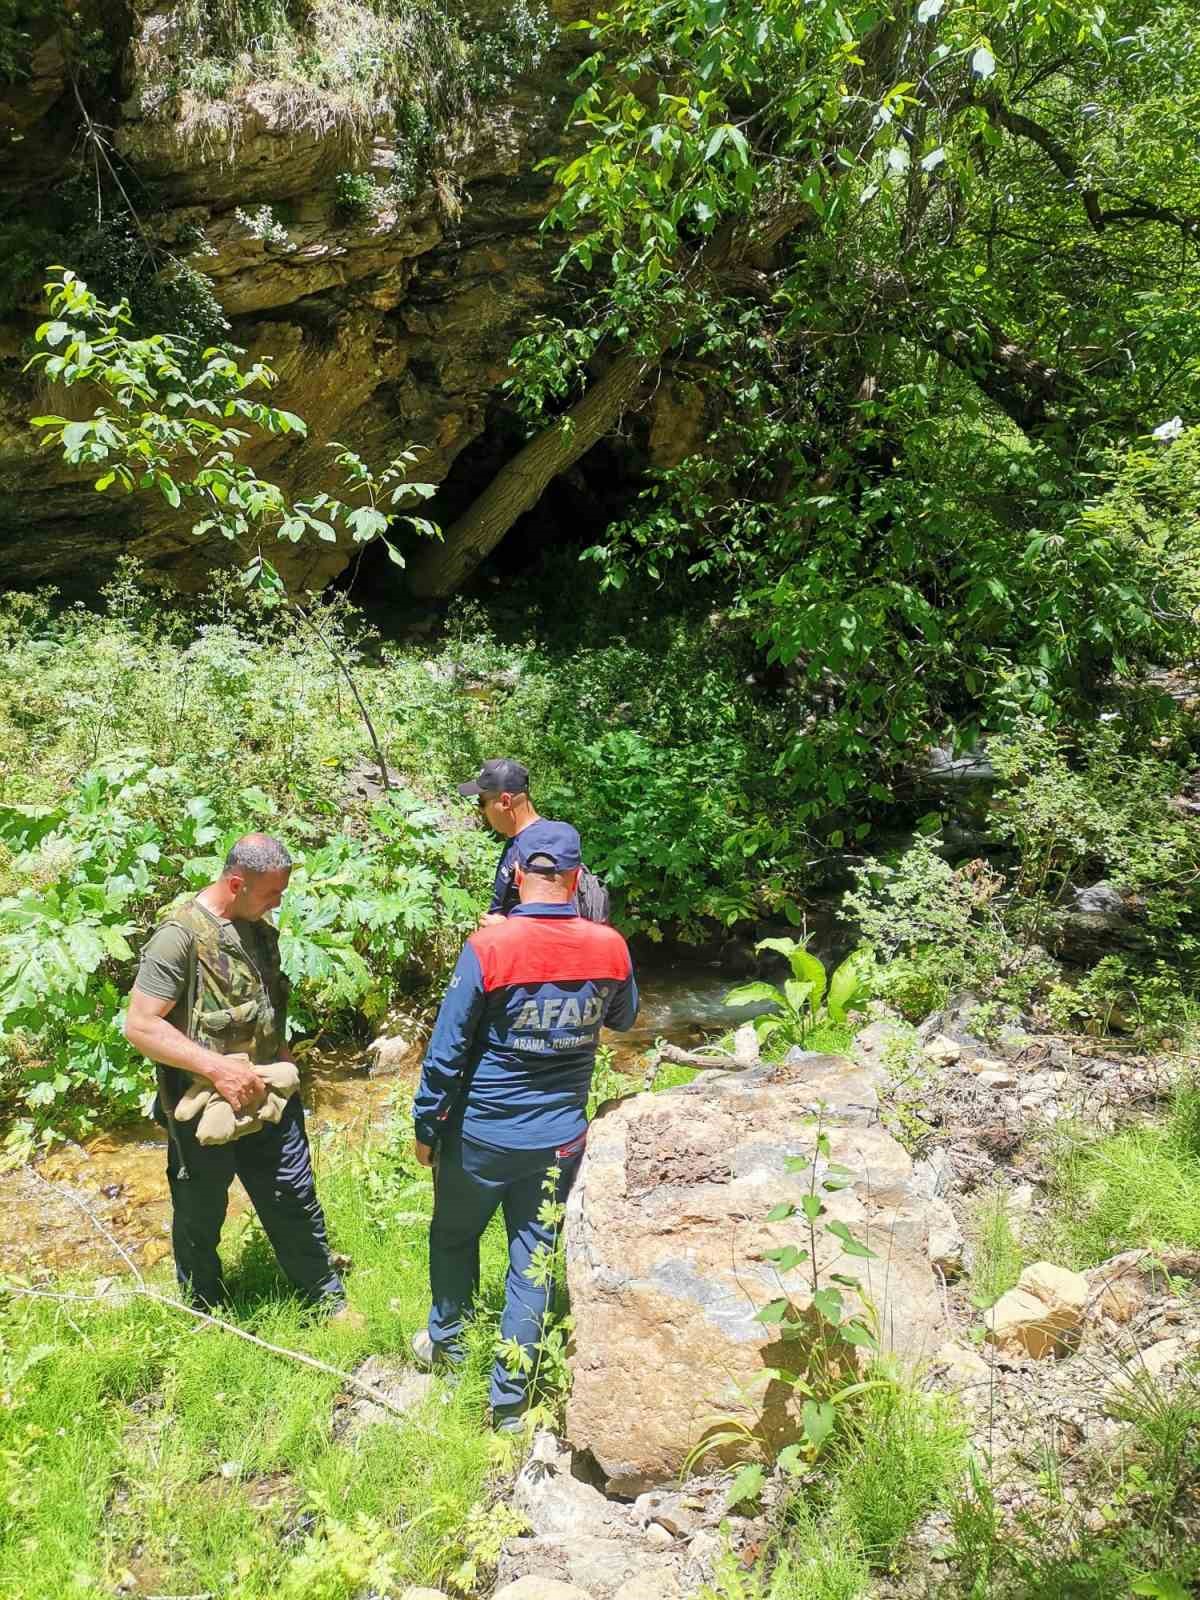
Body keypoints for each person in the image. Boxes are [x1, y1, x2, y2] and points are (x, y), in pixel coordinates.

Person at [410, 820, 638, 1431]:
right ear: (576, 879)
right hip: (560, 1139)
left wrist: (426, 1126)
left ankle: (451, 1353)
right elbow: (624, 1016)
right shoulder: (610, 946)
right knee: (533, 1257)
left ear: (517, 875)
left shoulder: (490, 947)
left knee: (454, 1238)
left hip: (481, 1134)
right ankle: (510, 1401)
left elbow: (447, 1049)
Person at [124, 834, 356, 1322]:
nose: (279, 901)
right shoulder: (180, 936)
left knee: (294, 1198)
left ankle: (327, 1302)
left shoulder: (256, 925)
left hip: (271, 1098)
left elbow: (269, 1008)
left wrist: (287, 1070)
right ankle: (205, 1310)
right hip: (204, 1106)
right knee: (200, 1217)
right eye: (272, 892)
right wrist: (217, 1070)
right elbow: (140, 1024)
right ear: (235, 882)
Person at [457, 757, 542, 926]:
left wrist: (507, 927)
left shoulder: (543, 844)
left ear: (505, 801)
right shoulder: (517, 838)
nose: (480, 810)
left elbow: (556, 921)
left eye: (482, 802)